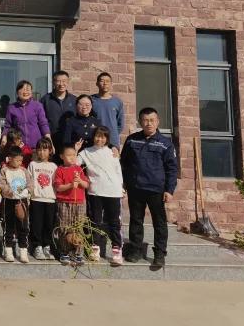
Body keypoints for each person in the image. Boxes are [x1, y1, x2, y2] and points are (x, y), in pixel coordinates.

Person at [120, 107, 177, 269]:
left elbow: (172, 169)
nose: (149, 123)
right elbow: (123, 164)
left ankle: (159, 253)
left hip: (156, 190)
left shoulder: (165, 144)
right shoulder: (132, 140)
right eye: (145, 120)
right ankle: (135, 250)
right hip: (135, 188)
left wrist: (169, 190)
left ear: (158, 122)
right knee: (135, 220)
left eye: (152, 120)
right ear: (140, 122)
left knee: (159, 223)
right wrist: (123, 183)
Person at [78, 126, 124, 265]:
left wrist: (121, 187)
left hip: (113, 191)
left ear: (107, 139)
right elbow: (74, 163)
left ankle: (116, 250)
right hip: (95, 191)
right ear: (93, 137)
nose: (100, 139)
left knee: (114, 222)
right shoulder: (86, 152)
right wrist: (76, 149)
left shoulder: (112, 152)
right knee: (95, 221)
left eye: (103, 137)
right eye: (97, 136)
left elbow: (118, 171)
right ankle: (95, 249)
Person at [54, 145, 90, 265]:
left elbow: (86, 185)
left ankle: (79, 252)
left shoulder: (79, 169)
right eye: (69, 155)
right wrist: (70, 185)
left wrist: (80, 181)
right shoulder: (60, 170)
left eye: (74, 155)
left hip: (79, 202)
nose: (72, 157)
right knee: (64, 227)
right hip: (64, 202)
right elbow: (58, 187)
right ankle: (64, 252)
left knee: (78, 227)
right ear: (61, 156)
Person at [26, 137, 58, 261]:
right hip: (36, 199)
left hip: (50, 199)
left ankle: (47, 246)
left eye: (45, 150)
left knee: (49, 224)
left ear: (50, 151)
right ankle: (37, 246)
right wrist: (28, 197)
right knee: (36, 224)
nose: (42, 152)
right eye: (39, 149)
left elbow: (56, 183)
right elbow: (29, 181)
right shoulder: (33, 164)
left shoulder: (54, 166)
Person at [0, 147, 30, 263]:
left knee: (23, 226)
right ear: (10, 159)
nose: (19, 162)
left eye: (21, 160)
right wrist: (10, 191)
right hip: (9, 201)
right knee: (9, 226)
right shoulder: (4, 170)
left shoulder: (24, 171)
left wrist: (26, 191)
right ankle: (8, 250)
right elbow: (2, 185)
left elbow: (30, 184)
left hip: (22, 201)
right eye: (17, 160)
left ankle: (23, 250)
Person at [1, 80, 51, 150]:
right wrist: (4, 137)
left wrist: (49, 141)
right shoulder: (12, 108)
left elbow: (43, 124)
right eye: (23, 89)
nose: (25, 92)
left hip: (36, 146)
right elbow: (7, 126)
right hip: (19, 146)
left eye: (28, 90)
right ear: (17, 92)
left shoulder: (37, 105)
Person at [39, 71, 77, 152]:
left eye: (64, 81)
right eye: (58, 81)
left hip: (70, 140)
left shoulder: (74, 100)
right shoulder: (45, 100)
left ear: (68, 82)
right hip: (51, 140)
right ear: (53, 82)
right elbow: (40, 120)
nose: (61, 84)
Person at [91, 72, 125, 148]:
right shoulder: (91, 100)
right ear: (97, 83)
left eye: (107, 81)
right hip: (96, 139)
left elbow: (120, 123)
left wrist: (112, 134)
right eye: (102, 81)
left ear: (111, 84)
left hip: (112, 141)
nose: (105, 83)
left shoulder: (117, 101)